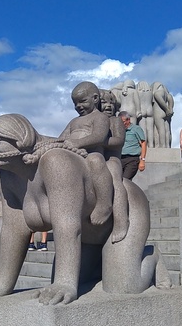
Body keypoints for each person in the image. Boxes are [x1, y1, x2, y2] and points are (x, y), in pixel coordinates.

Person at [59, 81, 113, 226]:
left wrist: (76, 143)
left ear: (95, 98)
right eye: (75, 103)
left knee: (95, 160)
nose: (78, 106)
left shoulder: (100, 117)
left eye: (82, 101)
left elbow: (99, 136)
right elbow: (61, 139)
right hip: (72, 156)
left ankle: (104, 203)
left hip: (90, 155)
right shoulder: (73, 121)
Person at [99, 89, 129, 242]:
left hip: (111, 159)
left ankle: (121, 220)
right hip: (92, 159)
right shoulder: (92, 121)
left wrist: (98, 141)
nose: (109, 106)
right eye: (104, 102)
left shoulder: (115, 121)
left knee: (116, 181)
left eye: (112, 103)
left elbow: (119, 141)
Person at [120, 111, 147, 180]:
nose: (122, 124)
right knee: (118, 180)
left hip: (132, 159)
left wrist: (142, 160)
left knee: (125, 180)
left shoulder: (136, 129)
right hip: (120, 158)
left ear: (128, 120)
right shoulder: (120, 130)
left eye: (123, 122)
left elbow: (143, 144)